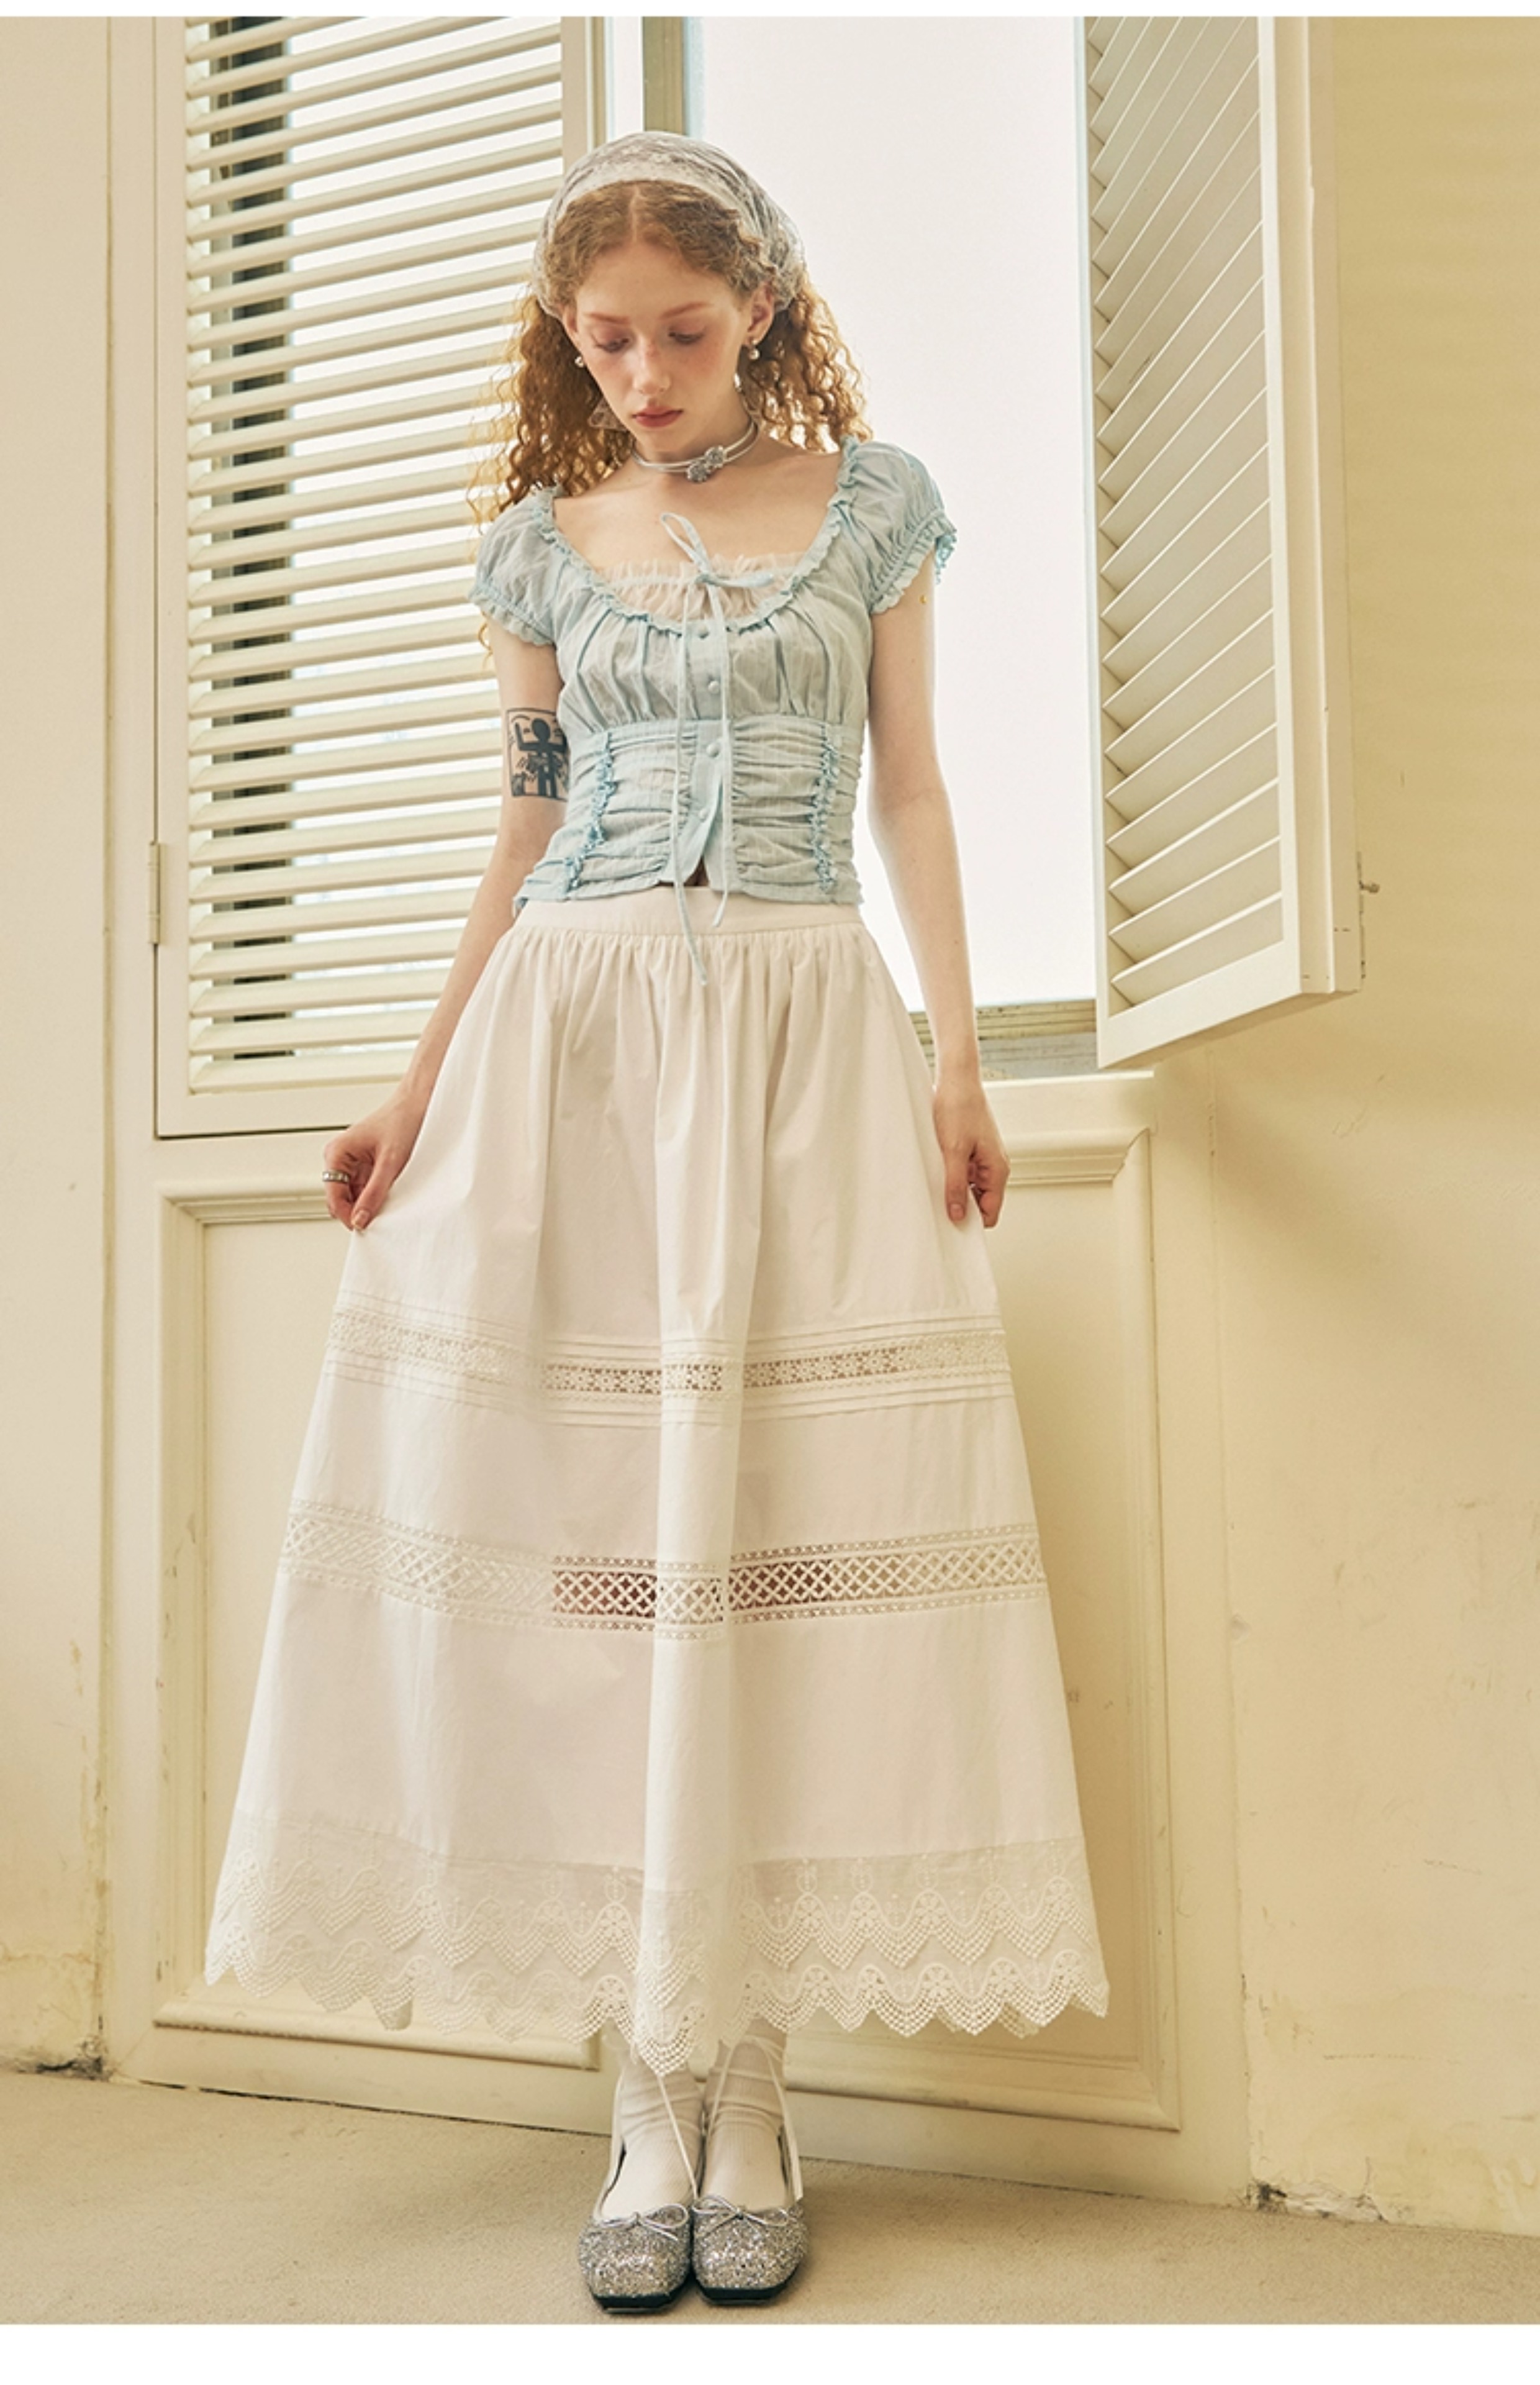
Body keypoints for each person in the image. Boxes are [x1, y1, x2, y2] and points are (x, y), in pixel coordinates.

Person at [203, 131, 1110, 2315]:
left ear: (762, 310)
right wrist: (418, 1079)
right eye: (603, 341)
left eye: (681, 333)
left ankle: (753, 2077)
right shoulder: (540, 549)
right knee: (594, 1551)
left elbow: (912, 787)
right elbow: (525, 829)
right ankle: (644, 2083)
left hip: (800, 1023)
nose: (641, 373)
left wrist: (957, 1056)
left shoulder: (874, 508)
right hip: (575, 1042)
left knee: (778, 1539)